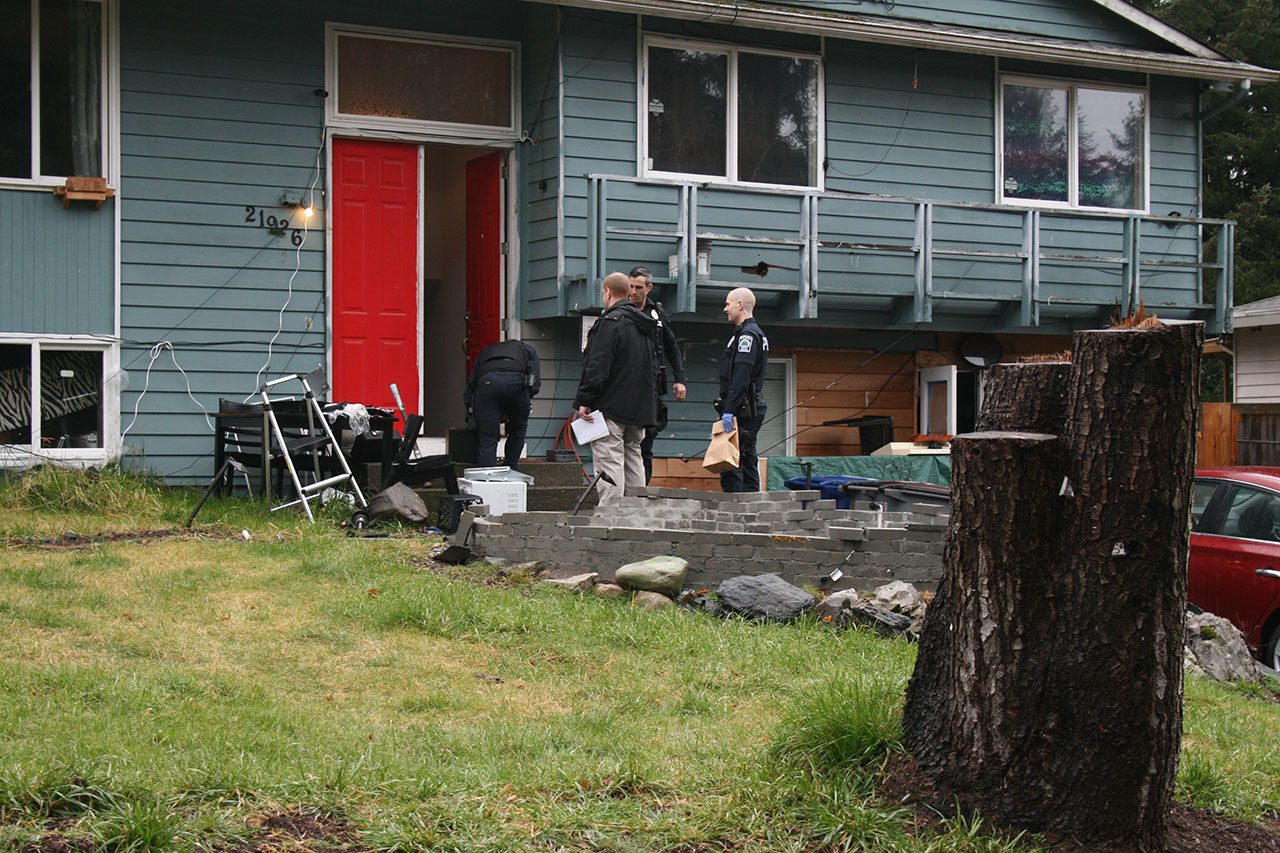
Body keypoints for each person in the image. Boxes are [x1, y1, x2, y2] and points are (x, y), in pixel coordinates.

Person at [574, 272, 660, 505]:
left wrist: (585, 400)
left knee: (609, 459)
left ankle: (610, 517)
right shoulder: (644, 325)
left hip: (611, 406)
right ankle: (636, 514)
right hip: (640, 408)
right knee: (633, 457)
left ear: (608, 292)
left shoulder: (610, 323)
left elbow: (598, 365)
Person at [627, 266, 687, 484]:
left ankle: (641, 491)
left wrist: (680, 379)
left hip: (652, 389)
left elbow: (671, 347)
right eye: (630, 286)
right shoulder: (621, 310)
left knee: (646, 444)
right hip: (626, 390)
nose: (633, 292)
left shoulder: (657, 314)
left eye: (638, 287)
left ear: (648, 288)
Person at [718, 287, 768, 493]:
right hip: (745, 404)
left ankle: (737, 507)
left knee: (732, 460)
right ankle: (750, 504)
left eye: (728, 303)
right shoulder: (750, 334)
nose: (725, 309)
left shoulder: (747, 335)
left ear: (740, 305)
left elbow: (741, 375)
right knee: (746, 456)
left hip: (743, 407)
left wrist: (730, 408)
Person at [464, 339, 541, 469]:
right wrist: (525, 401)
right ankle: (510, 467)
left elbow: (472, 383)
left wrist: (471, 410)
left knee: (488, 436)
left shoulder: (486, 352)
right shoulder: (528, 350)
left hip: (486, 384)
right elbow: (535, 383)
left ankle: (487, 476)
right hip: (516, 383)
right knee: (518, 428)